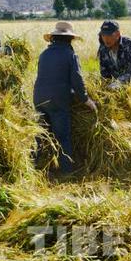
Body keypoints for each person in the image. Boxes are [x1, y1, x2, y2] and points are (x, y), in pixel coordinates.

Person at [33, 21, 97, 174]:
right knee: (63, 137)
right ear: (69, 40)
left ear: (54, 39)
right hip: (57, 101)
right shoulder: (70, 54)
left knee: (42, 136)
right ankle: (66, 172)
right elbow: (77, 80)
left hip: (39, 99)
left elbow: (47, 77)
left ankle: (37, 168)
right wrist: (86, 100)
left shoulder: (44, 54)